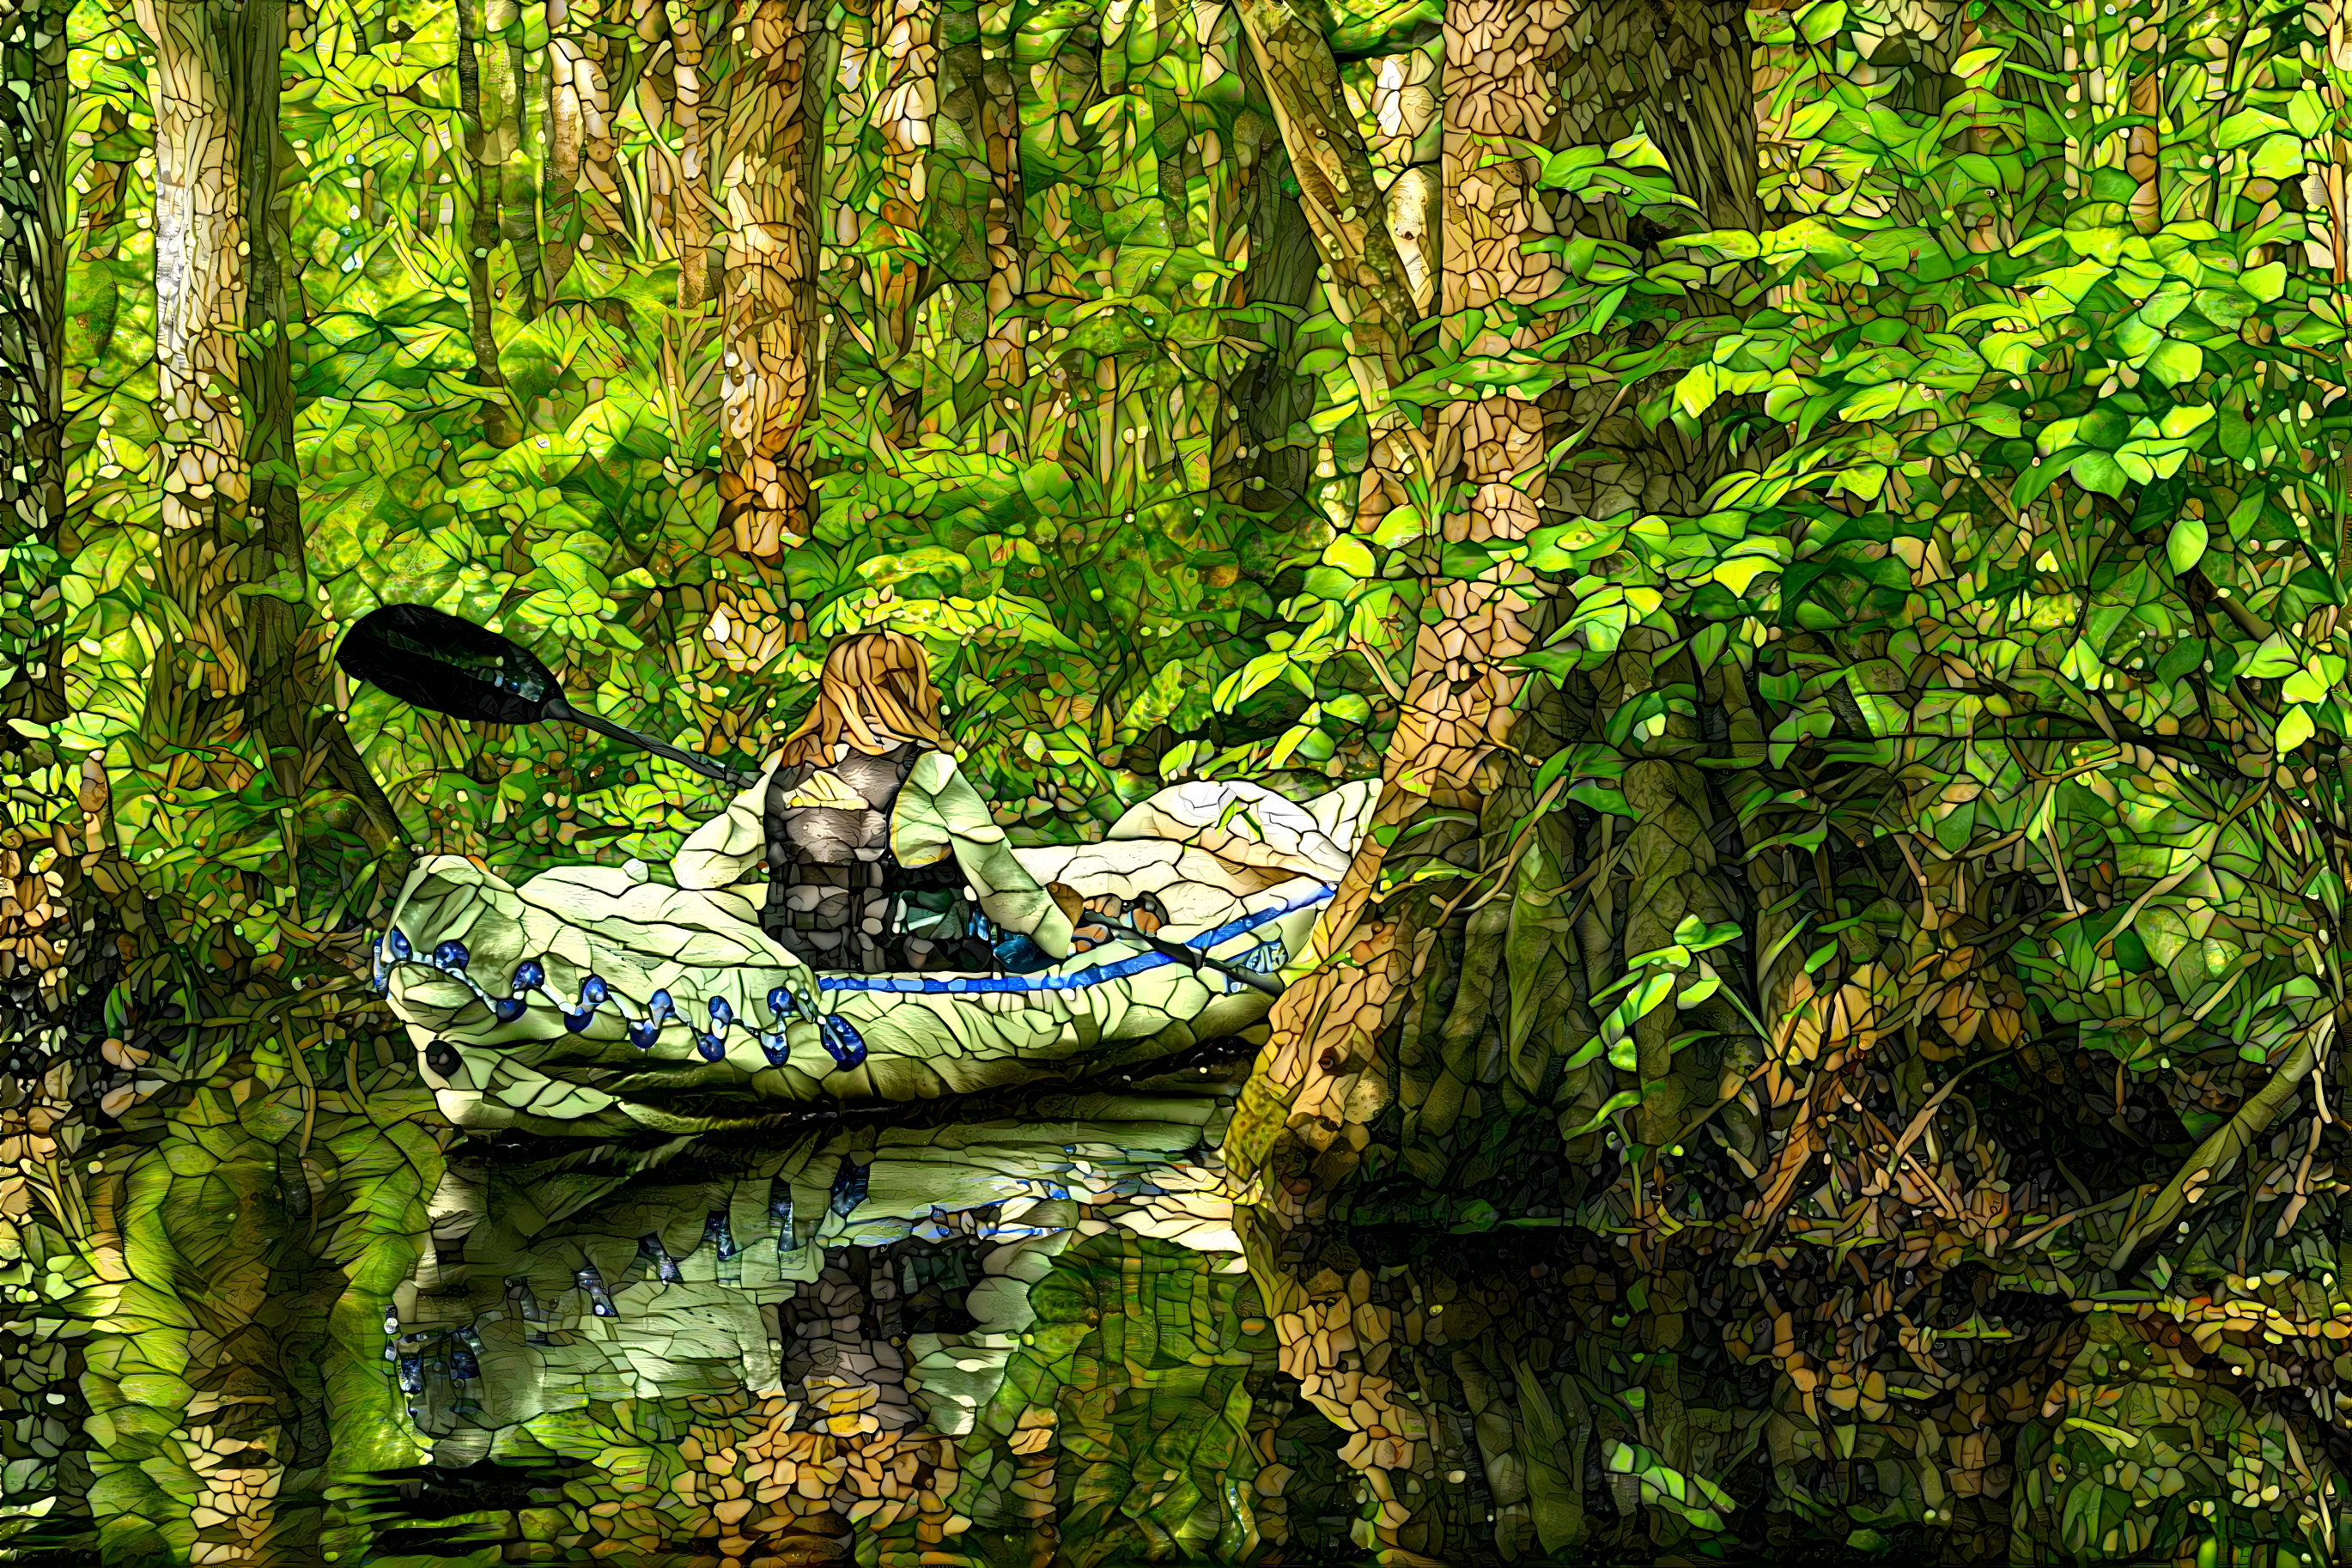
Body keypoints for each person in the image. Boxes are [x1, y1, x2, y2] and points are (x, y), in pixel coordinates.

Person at [672, 629, 1080, 974]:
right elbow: (998, 881)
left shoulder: (784, 767)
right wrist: (1061, 938)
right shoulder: (931, 770)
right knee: (1061, 909)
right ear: (914, 689)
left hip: (803, 962)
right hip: (917, 967)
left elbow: (697, 868)